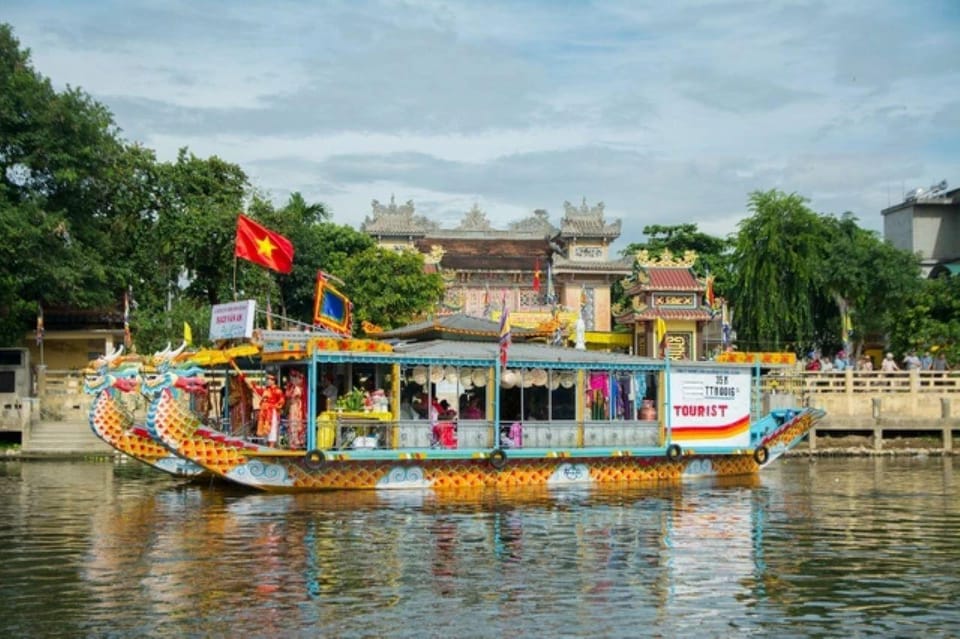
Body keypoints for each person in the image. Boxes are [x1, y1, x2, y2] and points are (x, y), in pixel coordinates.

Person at [248, 374, 285, 447]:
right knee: (265, 428)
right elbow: (257, 391)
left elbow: (282, 401)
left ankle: (271, 446)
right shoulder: (266, 390)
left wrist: (273, 406)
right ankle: (267, 445)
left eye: (269, 379)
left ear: (274, 381)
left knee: (272, 428)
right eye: (267, 379)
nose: (268, 381)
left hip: (271, 412)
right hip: (264, 412)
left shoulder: (278, 391)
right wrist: (252, 385)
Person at [285, 370, 306, 449]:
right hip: (293, 407)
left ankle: (296, 442)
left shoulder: (297, 388)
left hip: (296, 407)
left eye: (294, 378)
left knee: (295, 424)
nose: (293, 380)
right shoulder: (292, 387)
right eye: (292, 378)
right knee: (292, 424)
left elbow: (294, 399)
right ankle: (293, 442)